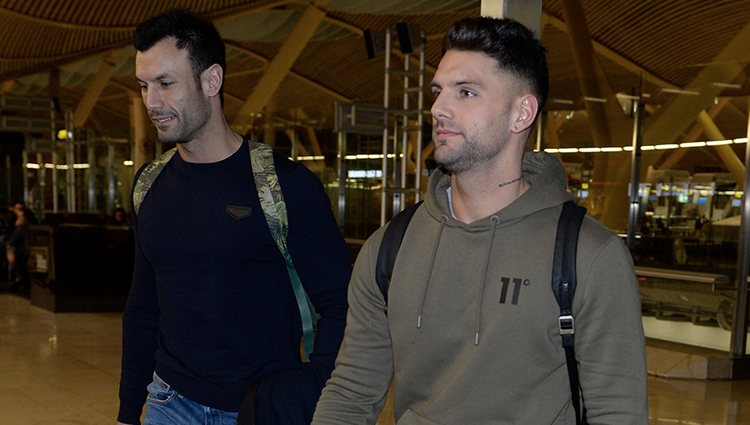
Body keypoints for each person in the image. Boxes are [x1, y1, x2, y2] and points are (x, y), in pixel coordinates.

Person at [312, 16, 648, 425]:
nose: (438, 108)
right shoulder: (390, 248)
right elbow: (351, 392)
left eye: (466, 92)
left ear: (521, 113)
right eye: (438, 92)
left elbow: (618, 412)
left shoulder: (588, 257)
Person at [117, 8, 351, 425]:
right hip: (169, 403)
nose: (152, 102)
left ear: (211, 80)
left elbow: (341, 303)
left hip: (259, 407)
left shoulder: (284, 185)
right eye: (143, 86)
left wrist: (310, 387)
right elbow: (143, 305)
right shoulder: (149, 185)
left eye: (166, 84)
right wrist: (126, 409)